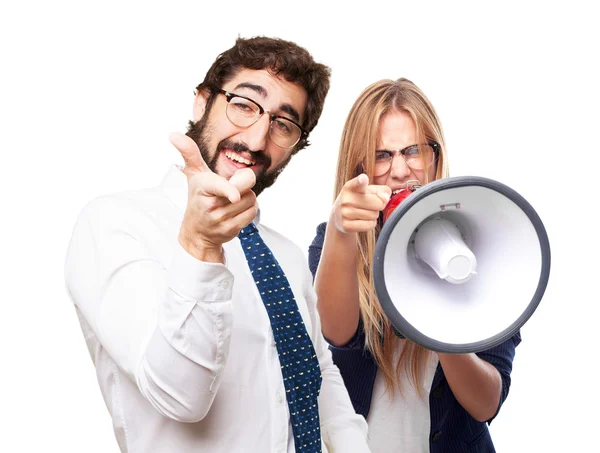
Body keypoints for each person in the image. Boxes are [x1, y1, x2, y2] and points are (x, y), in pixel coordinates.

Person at [65, 36, 370, 453]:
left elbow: (317, 377)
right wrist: (200, 245)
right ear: (202, 102)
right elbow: (178, 396)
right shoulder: (115, 223)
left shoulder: (287, 258)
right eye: (244, 104)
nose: (258, 138)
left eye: (283, 124)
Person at [308, 78, 520, 453]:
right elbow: (335, 332)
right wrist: (342, 231)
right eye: (382, 155)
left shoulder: (488, 244)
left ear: (435, 155)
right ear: (358, 164)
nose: (401, 170)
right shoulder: (335, 243)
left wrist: (437, 321)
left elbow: (486, 403)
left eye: (413, 150)